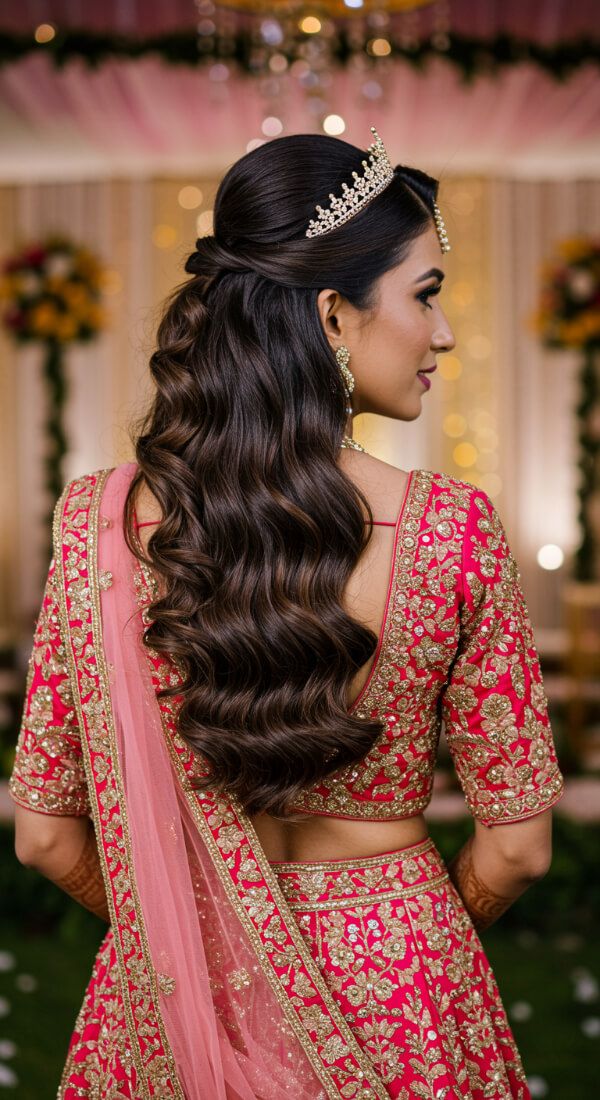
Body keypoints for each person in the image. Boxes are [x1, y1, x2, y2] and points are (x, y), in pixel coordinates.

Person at [10, 127, 564, 1099]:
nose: (441, 333)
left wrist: (187, 943)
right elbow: (517, 843)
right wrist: (426, 919)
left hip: (172, 1005)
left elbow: (46, 834)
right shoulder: (451, 532)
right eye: (425, 295)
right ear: (333, 314)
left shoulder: (101, 522)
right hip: (404, 976)